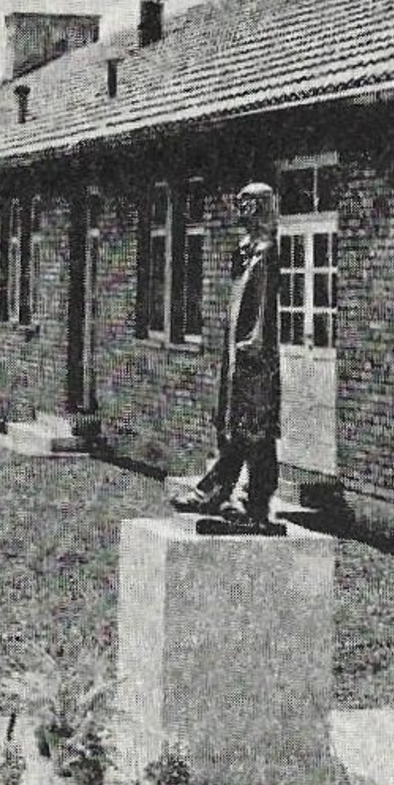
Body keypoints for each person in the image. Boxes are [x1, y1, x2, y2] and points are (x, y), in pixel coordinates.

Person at [170, 182, 282, 532]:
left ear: (261, 208)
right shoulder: (246, 250)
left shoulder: (265, 251)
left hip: (253, 358)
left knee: (254, 430)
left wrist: (252, 345)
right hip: (237, 354)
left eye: (248, 205)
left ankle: (254, 503)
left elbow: (263, 306)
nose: (241, 211)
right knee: (236, 426)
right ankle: (218, 492)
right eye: (240, 203)